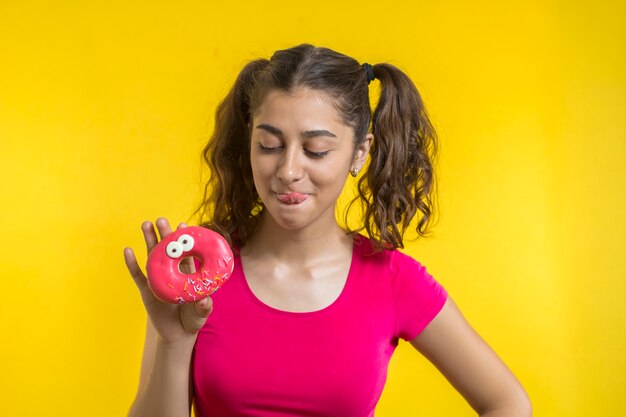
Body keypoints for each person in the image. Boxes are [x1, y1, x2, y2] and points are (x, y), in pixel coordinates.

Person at [123, 43, 532, 417]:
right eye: (269, 145)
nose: (288, 171)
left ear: (360, 153)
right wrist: (174, 344)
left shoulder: (392, 281)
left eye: (316, 150)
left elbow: (508, 403)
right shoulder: (199, 278)